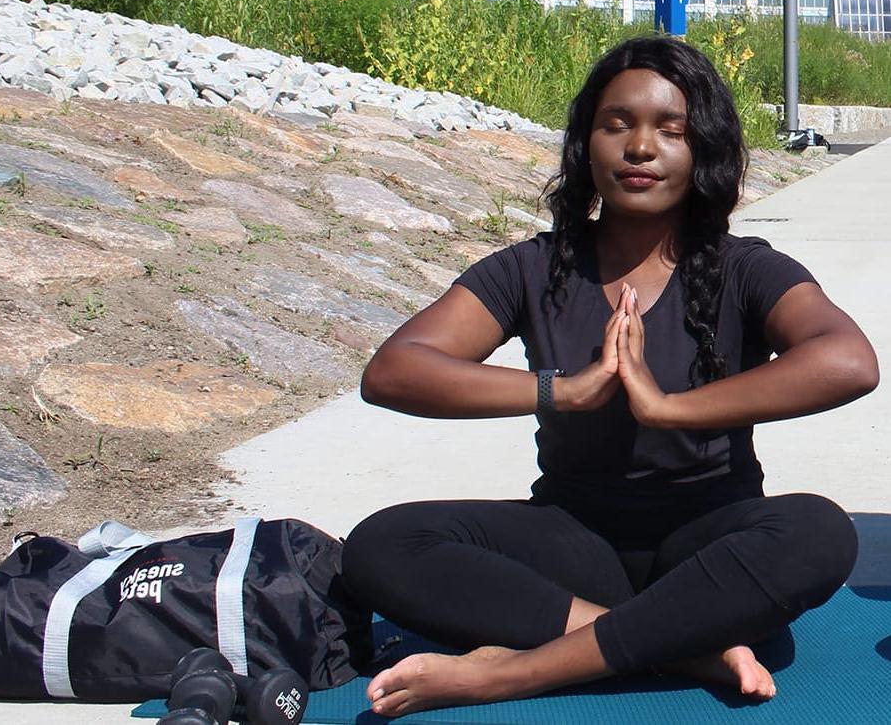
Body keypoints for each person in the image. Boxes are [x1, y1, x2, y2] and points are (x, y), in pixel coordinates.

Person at [340, 36, 879, 718]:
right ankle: (681, 642)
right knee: (382, 545)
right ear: (585, 144)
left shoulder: (744, 267)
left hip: (707, 542)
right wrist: (563, 390)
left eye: (670, 130)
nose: (640, 148)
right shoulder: (534, 267)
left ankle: (516, 672)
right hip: (572, 543)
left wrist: (667, 408)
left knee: (820, 533)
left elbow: (848, 361)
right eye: (616, 124)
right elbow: (395, 371)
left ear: (702, 149)